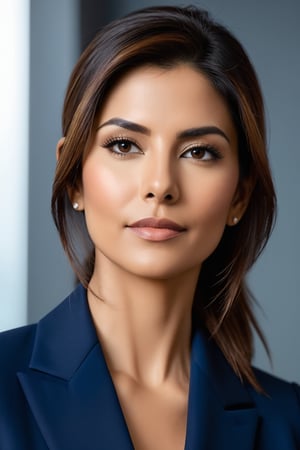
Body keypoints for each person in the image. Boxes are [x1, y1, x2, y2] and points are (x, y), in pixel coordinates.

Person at [0, 5, 299, 450]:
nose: (160, 185)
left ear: (240, 194)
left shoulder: (288, 421)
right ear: (73, 175)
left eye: (199, 152)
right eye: (124, 145)